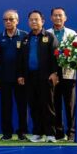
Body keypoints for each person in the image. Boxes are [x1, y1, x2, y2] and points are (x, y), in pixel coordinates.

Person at [18, 10, 60, 143]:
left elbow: (56, 57)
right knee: (34, 106)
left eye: (36, 19)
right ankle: (37, 133)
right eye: (31, 19)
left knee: (47, 106)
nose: (34, 22)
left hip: (46, 77)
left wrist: (54, 73)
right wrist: (20, 75)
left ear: (42, 21)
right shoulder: (25, 38)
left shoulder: (50, 37)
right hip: (30, 77)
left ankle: (50, 134)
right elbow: (21, 59)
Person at [0, 9, 29, 141]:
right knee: (6, 107)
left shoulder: (25, 36)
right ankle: (7, 133)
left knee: (22, 106)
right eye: (5, 19)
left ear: (17, 21)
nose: (8, 22)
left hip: (21, 79)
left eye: (11, 19)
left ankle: (22, 132)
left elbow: (27, 59)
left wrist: (25, 76)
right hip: (4, 77)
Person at [47, 7, 77, 141]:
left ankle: (71, 133)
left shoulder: (72, 34)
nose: (58, 18)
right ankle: (58, 133)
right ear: (50, 18)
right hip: (52, 74)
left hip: (69, 74)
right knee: (55, 104)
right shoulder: (46, 33)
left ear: (65, 18)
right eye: (55, 15)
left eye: (60, 15)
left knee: (70, 105)